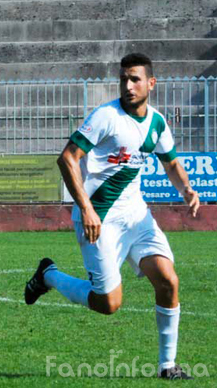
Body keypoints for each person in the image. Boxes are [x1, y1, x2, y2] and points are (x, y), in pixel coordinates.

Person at [24, 53, 200, 380]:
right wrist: (87, 209)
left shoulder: (157, 122)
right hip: (99, 219)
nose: (128, 85)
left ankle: (167, 366)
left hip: (137, 217)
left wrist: (187, 189)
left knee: (168, 280)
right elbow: (67, 159)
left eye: (135, 79)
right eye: (123, 79)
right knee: (108, 304)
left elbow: (171, 163)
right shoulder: (106, 116)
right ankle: (48, 275)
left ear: (151, 83)